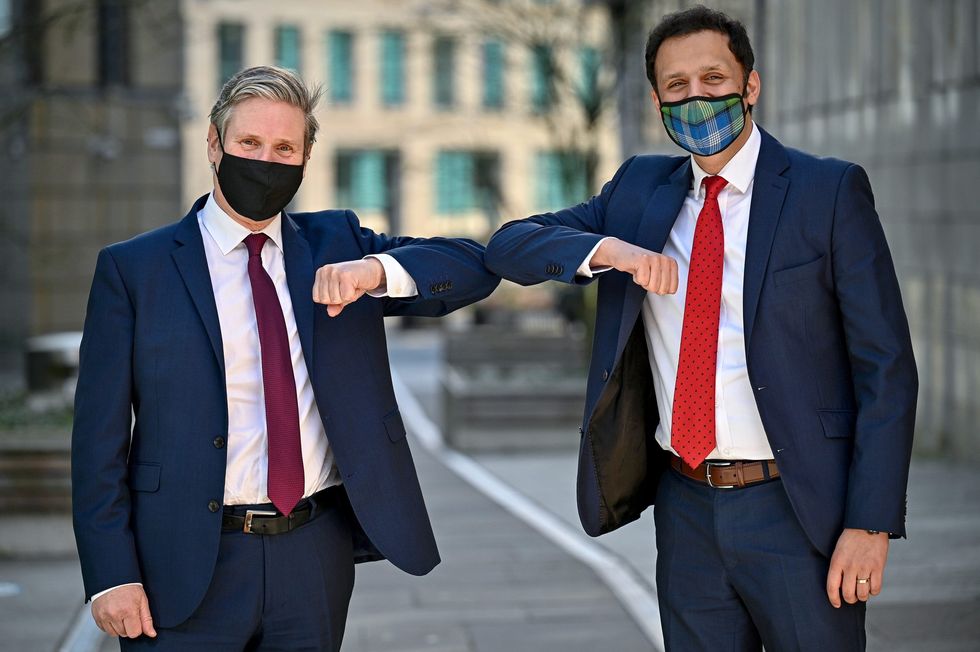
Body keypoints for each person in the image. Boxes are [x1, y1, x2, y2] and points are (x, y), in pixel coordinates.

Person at [485, 7, 916, 651]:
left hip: (801, 510)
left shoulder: (827, 191)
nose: (697, 98)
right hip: (686, 507)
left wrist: (870, 524)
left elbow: (886, 368)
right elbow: (509, 245)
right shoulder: (638, 192)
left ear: (751, 86)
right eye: (676, 86)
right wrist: (613, 252)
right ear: (658, 100)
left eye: (713, 78)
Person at [71, 65, 499, 650]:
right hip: (179, 558)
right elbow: (98, 438)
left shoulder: (338, 246)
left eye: (283, 148)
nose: (265, 161)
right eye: (249, 143)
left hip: (312, 556)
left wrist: (375, 271)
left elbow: (472, 266)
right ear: (214, 144)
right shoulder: (134, 270)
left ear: (304, 158)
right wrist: (110, 574)